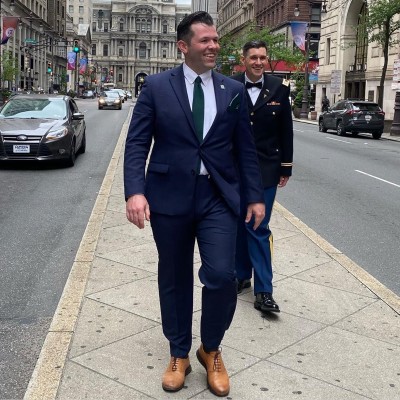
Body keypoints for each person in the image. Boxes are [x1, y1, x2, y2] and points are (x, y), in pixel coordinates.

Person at [124, 12, 265, 397]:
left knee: (221, 275)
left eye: (216, 39)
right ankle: (178, 353)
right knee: (174, 276)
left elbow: (245, 148)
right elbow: (137, 143)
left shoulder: (232, 90)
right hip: (168, 196)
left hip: (217, 197)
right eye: (206, 40)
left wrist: (254, 196)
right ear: (183, 46)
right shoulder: (156, 87)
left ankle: (211, 349)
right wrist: (134, 191)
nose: (214, 45)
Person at [231, 40, 293, 313]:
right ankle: (241, 274)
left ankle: (264, 290)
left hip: (267, 167)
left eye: (262, 57)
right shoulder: (229, 85)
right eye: (253, 57)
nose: (258, 62)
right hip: (234, 168)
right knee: (238, 224)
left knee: (258, 225)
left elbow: (285, 130)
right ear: (243, 59)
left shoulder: (279, 87)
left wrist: (286, 167)